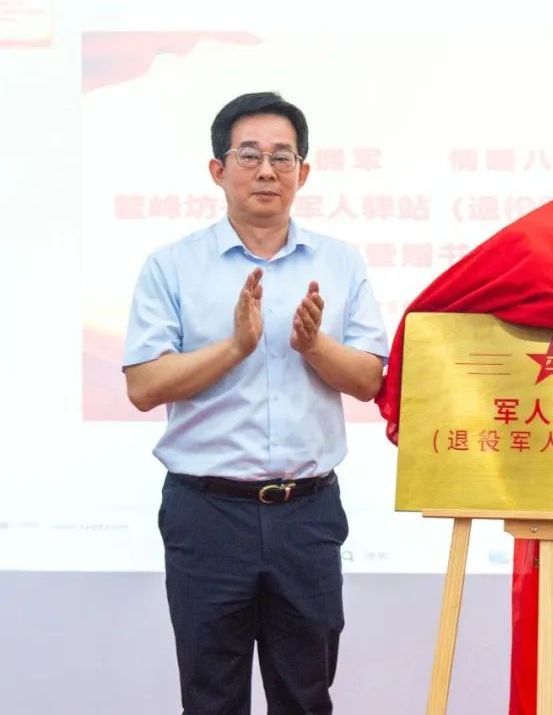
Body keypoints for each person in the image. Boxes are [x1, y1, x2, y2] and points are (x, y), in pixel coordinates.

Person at [123, 91, 388, 714]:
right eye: (249, 155)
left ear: (303, 171)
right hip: (207, 513)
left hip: (307, 513)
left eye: (282, 156)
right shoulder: (172, 266)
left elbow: (369, 380)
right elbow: (144, 386)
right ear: (218, 169)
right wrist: (235, 346)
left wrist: (314, 346)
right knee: (211, 697)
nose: (267, 170)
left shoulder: (339, 263)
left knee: (305, 695)